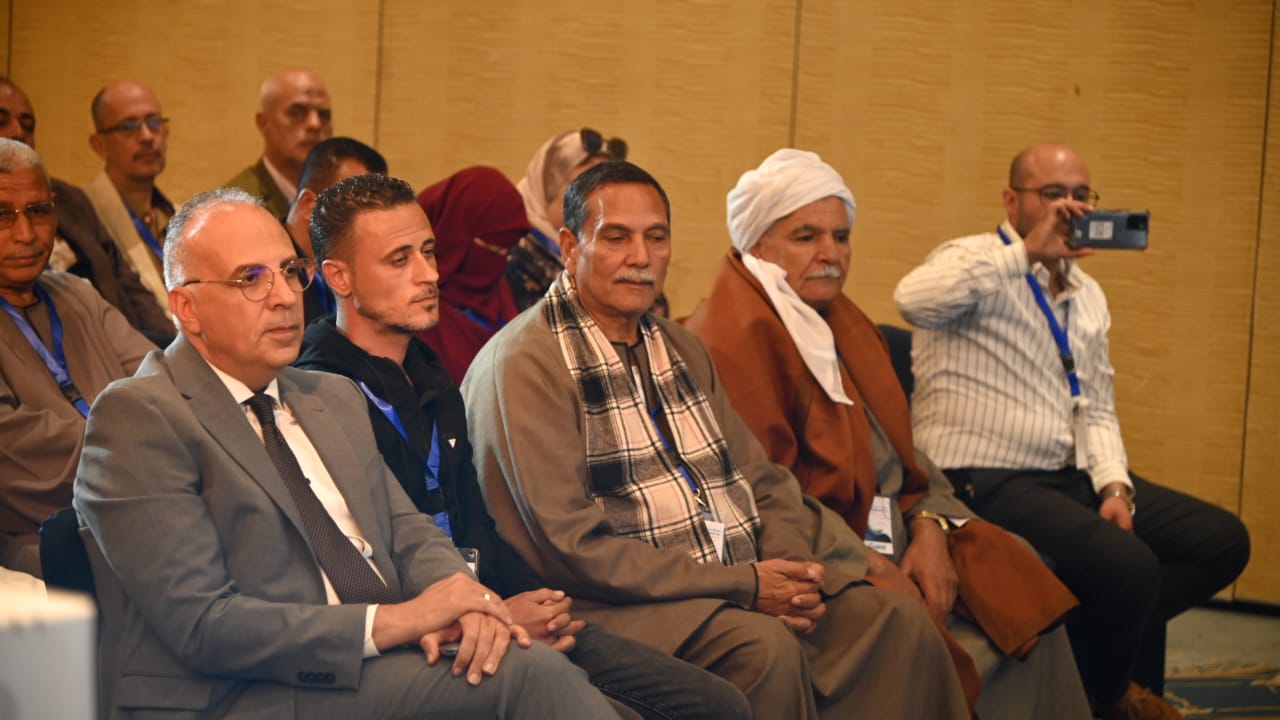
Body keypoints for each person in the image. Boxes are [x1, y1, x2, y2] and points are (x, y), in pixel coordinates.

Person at [73, 187, 623, 720]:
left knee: (565, 677)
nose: (285, 296)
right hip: (240, 693)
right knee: (531, 676)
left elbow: (409, 533)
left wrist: (463, 599)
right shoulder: (140, 416)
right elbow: (203, 625)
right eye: (251, 279)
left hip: (379, 663)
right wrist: (401, 620)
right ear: (186, 308)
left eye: (290, 271)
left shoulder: (328, 395)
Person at [462, 160, 974, 719]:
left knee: (896, 623)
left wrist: (789, 572)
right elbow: (573, 547)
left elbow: (762, 479)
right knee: (763, 649)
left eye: (656, 238)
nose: (640, 257)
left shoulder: (678, 347)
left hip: (727, 577)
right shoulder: (525, 364)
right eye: (616, 237)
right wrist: (745, 585)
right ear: (569, 246)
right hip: (607, 601)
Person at [295, 173, 752, 720]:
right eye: (400, 260)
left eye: (429, 251)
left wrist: (538, 602)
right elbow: (367, 567)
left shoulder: (430, 375)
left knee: (718, 703)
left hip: (489, 603)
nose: (429, 274)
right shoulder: (318, 394)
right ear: (339, 277)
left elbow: (474, 524)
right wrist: (497, 609)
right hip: (420, 633)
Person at [686, 148, 1092, 720]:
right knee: (915, 626)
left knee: (1016, 573)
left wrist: (930, 526)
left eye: (841, 236)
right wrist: (871, 566)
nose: (830, 254)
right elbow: (759, 495)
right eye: (805, 237)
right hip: (816, 560)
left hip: (893, 527)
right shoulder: (726, 343)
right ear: (757, 246)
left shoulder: (839, 323)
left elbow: (903, 451)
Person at [894, 143, 1251, 720]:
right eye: (1052, 194)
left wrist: (1115, 488)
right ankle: (1110, 701)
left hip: (1069, 474)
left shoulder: (1087, 294)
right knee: (1130, 569)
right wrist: (1025, 255)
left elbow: (1098, 405)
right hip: (983, 477)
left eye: (1081, 195)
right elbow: (913, 300)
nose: (1070, 207)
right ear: (1012, 200)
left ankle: (1085, 650)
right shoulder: (972, 259)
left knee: (1220, 542)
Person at [0, 138, 154, 577]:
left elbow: (163, 384)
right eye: (2, 216)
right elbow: (13, 449)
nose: (26, 234)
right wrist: (146, 451)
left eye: (39, 211)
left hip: (149, 496)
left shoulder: (76, 293)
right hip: (44, 536)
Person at [0, 78, 171, 342]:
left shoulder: (70, 199)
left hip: (118, 336)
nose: (17, 132)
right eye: (2, 121)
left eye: (28, 125)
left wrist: (174, 348)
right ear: (99, 145)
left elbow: (128, 283)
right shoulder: (99, 202)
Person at [415, 166, 529, 384]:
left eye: (505, 251)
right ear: (453, 232)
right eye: (491, 249)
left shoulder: (498, 290)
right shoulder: (413, 302)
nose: (498, 260)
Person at [82, 80, 175, 321]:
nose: (146, 136)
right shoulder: (84, 217)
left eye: (154, 122)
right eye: (128, 126)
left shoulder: (180, 215)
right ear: (99, 145)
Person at [509, 127, 626, 311]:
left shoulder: (612, 247)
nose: (596, 202)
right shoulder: (513, 256)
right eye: (581, 188)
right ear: (546, 188)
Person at [282, 136, 386, 324]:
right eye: (358, 204)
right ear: (308, 205)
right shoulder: (265, 269)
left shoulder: (343, 268)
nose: (372, 222)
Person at [226, 69, 333, 218]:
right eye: (297, 113)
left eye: (323, 115)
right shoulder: (234, 206)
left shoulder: (339, 199)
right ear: (264, 122)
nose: (315, 124)